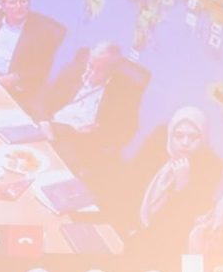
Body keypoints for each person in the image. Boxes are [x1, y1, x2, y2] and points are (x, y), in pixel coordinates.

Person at [122, 105, 223, 257]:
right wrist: (130, 230)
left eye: (194, 137)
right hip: (133, 240)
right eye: (179, 135)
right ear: (170, 136)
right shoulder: (155, 158)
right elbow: (129, 193)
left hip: (165, 252)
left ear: (203, 139)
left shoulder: (207, 175)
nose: (185, 142)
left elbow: (174, 229)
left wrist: (182, 186)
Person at [36, 41, 143, 185]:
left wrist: (98, 131)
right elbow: (43, 97)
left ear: (111, 72)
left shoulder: (123, 92)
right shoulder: (74, 69)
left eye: (99, 71)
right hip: (50, 128)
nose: (91, 73)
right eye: (90, 66)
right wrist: (43, 122)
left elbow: (128, 130)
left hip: (79, 144)